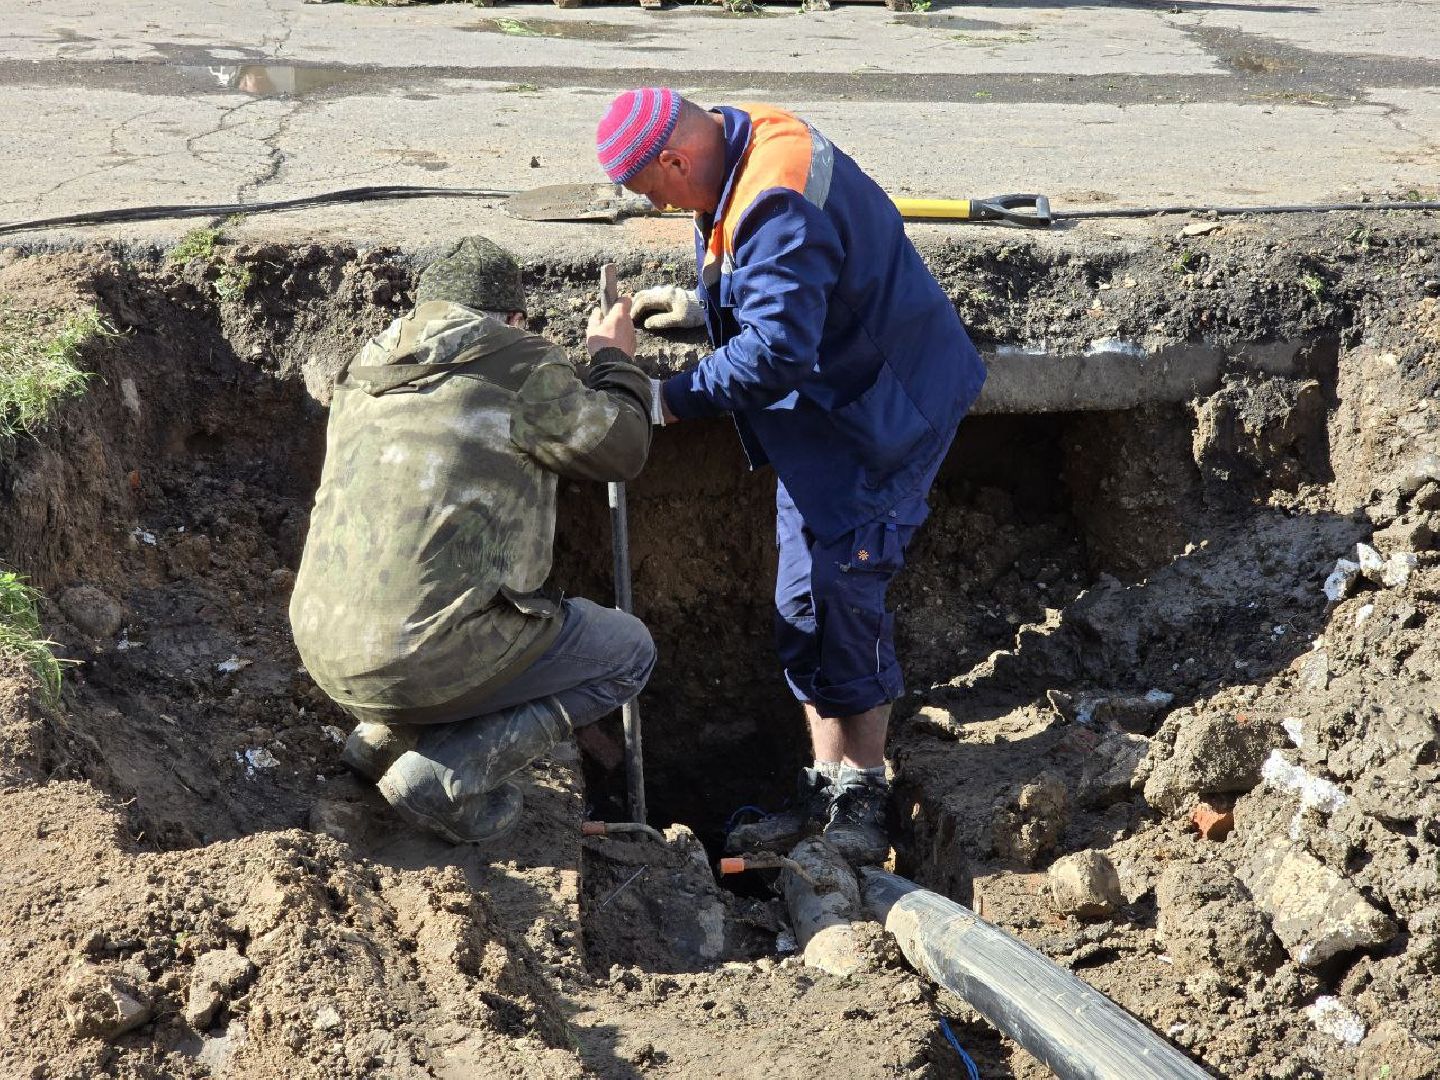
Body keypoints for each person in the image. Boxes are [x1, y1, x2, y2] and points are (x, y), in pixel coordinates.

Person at [595, 88, 987, 865]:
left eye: (655, 192)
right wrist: (713, 305)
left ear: (676, 157)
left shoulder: (776, 195)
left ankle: (865, 795)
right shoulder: (741, 135)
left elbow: (778, 350)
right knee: (802, 606)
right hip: (829, 415)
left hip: (882, 415)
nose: (665, 207)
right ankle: (827, 788)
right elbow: (799, 277)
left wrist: (665, 399)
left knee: (847, 598)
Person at [289, 236, 656, 844]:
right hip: (422, 655)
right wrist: (613, 360)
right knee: (627, 651)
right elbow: (623, 447)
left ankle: (379, 738)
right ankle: (442, 776)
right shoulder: (520, 366)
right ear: (512, 320)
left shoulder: (367, 368)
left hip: (322, 646)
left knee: (423, 604)